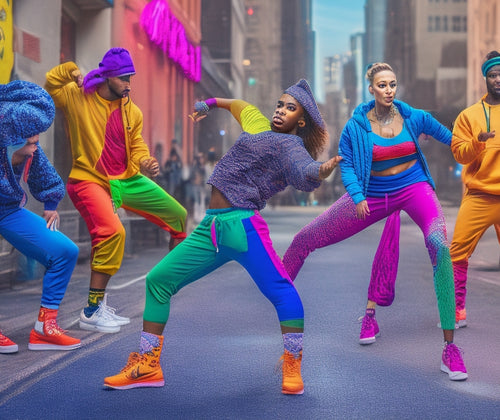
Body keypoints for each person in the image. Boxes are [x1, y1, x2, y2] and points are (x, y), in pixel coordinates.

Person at [103, 79, 341, 394]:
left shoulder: (291, 145)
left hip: (242, 227)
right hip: (210, 229)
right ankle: (147, 364)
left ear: (301, 120)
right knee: (158, 280)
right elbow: (237, 104)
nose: (281, 111)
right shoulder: (258, 122)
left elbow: (305, 170)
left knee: (280, 290)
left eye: (290, 108)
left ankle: (293, 364)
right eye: (280, 104)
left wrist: (321, 170)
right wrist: (209, 104)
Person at [282, 63, 468, 381]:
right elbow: (349, 166)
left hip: (415, 190)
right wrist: (357, 197)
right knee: (304, 239)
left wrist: (473, 146)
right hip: (372, 197)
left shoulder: (414, 117)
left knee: (440, 245)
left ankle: (450, 350)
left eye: (393, 84)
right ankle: (276, 291)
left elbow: (451, 140)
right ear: (371, 89)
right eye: (382, 85)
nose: (388, 90)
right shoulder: (355, 127)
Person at [45, 48, 187, 334]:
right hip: (89, 179)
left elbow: (136, 147)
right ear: (108, 77)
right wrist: (72, 69)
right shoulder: (77, 97)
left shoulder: (132, 110)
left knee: (178, 215)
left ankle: (167, 284)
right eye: (123, 78)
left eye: (130, 78)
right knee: (112, 232)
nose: (128, 84)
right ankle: (92, 310)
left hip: (127, 179)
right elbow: (51, 83)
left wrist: (145, 161)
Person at [0, 80, 80, 353]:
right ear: (11, 141)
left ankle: (45, 328)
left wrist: (51, 202)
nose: (35, 147)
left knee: (65, 251)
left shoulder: (30, 148)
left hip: (8, 210)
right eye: (31, 143)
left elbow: (44, 175)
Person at [449, 50, 500, 328]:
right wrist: (479, 142)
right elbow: (460, 155)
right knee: (456, 252)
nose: (498, 79)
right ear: (486, 79)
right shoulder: (468, 116)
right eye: (493, 75)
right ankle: (457, 309)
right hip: (479, 196)